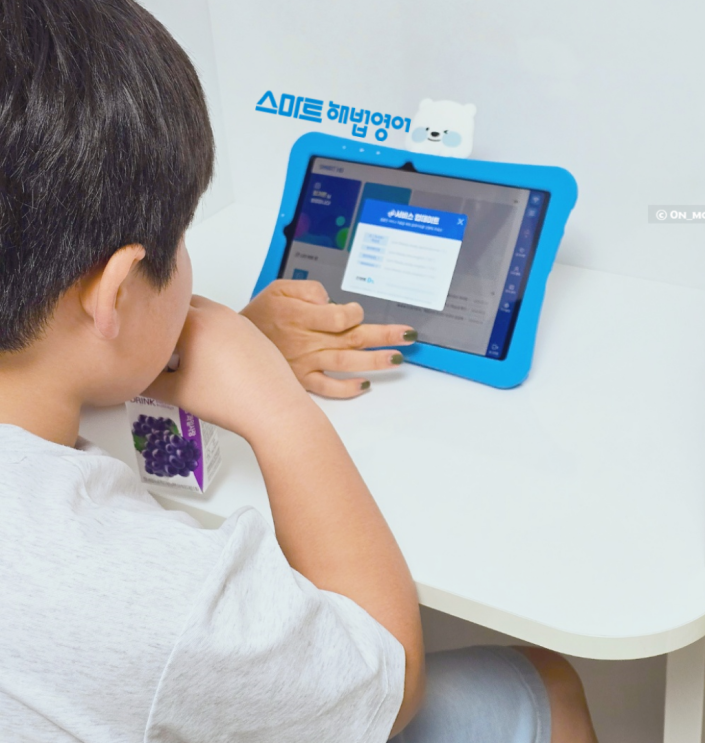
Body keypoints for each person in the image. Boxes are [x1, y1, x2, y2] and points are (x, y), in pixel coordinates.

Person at [0, 1, 598, 741]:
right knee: (549, 686)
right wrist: (277, 409)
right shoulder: (157, 598)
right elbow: (390, 677)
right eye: (180, 236)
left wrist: (160, 350)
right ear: (116, 293)